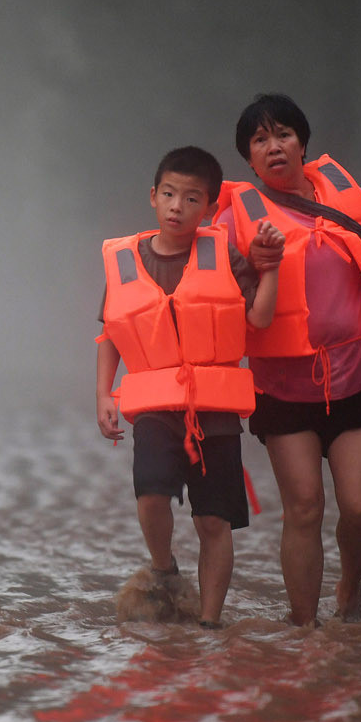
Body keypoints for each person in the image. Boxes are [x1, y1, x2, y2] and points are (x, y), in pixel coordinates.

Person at [212, 93, 361, 627]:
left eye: (282, 134)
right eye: (259, 140)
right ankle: (303, 630)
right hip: (284, 389)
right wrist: (253, 268)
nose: (273, 146)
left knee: (358, 506)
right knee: (303, 507)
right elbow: (219, 297)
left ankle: (349, 593)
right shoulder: (236, 223)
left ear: (303, 143)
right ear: (249, 161)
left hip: (358, 378)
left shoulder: (347, 198)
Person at [96, 145, 281, 628]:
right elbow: (111, 334)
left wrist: (272, 269)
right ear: (154, 197)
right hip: (156, 406)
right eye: (170, 195)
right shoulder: (124, 261)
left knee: (213, 522)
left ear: (209, 207)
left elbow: (259, 319)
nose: (179, 206)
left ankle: (209, 625)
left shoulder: (226, 257)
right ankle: (164, 568)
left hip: (215, 412)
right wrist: (103, 395)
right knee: (151, 494)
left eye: (192, 198)